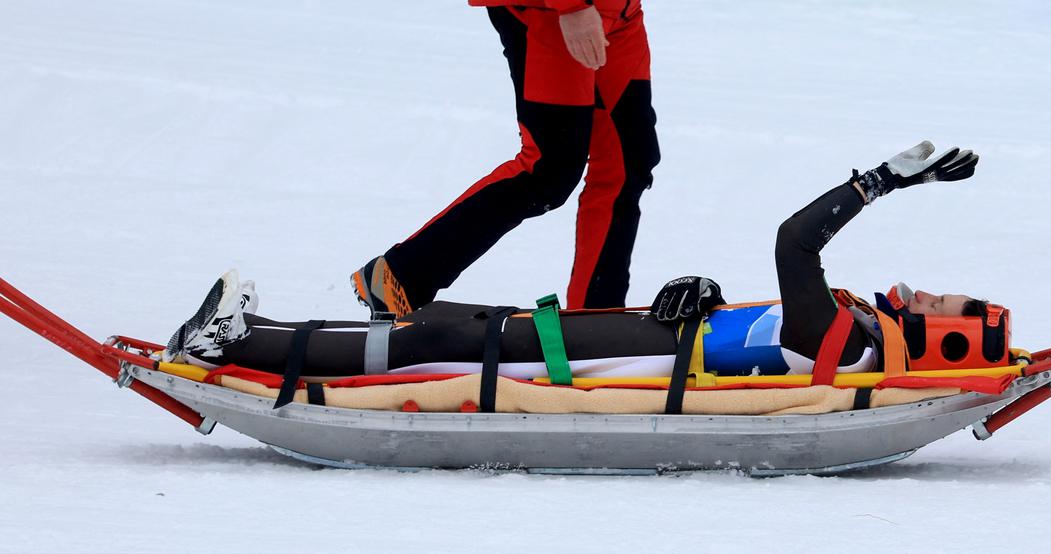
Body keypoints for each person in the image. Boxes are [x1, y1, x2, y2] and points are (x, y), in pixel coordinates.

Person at [350, 0, 767, 318]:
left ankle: (596, 318)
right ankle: (398, 278)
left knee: (629, 161)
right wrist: (572, 4)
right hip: (547, 1)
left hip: (615, 2)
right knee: (548, 168)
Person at [167, 142, 997, 380]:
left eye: (938, 307)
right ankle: (251, 333)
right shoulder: (845, 331)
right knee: (444, 326)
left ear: (937, 343)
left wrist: (879, 182)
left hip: (626, 359)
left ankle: (234, 347)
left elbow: (793, 244)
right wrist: (706, 295)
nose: (924, 293)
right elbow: (760, 328)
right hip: (644, 339)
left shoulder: (850, 345)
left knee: (434, 341)